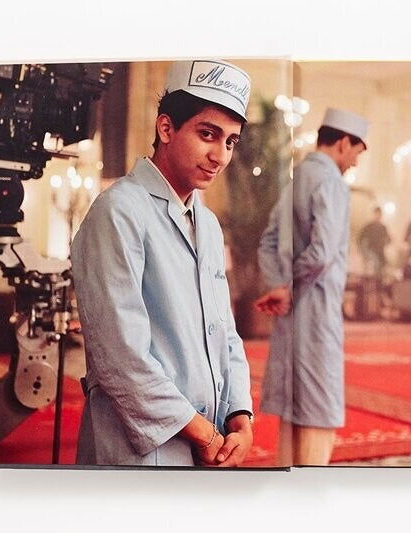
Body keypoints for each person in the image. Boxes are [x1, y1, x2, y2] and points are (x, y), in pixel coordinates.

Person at [70, 59, 254, 467]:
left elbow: (225, 331)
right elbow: (120, 355)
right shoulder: (119, 211)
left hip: (208, 440)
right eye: (208, 134)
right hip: (140, 451)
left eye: (231, 142)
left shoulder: (208, 223)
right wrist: (204, 434)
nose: (220, 156)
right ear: (166, 128)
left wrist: (240, 416)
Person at [255, 108, 369, 466]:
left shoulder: (297, 177)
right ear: (343, 143)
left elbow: (268, 241)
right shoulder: (331, 182)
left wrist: (279, 283)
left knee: (293, 408)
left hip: (289, 312)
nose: (354, 162)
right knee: (319, 408)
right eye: (356, 152)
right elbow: (322, 253)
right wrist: (289, 287)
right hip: (316, 308)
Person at [357, 206, 391, 282]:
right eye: (376, 213)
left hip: (380, 252)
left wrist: (386, 240)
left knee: (384, 266)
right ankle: (374, 282)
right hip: (370, 250)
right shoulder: (368, 227)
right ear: (374, 214)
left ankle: (379, 283)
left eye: (379, 214)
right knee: (376, 263)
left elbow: (388, 240)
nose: (378, 216)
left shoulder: (383, 227)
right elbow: (360, 239)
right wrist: (363, 250)